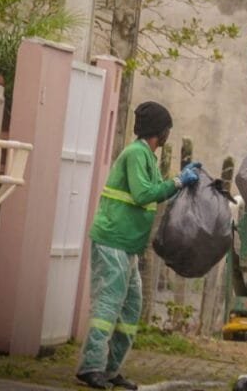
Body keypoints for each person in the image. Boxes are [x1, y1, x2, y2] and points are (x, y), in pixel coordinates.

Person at [76, 101, 200, 390]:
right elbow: (145, 194)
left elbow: (159, 190)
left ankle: (110, 370)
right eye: (167, 129)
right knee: (108, 305)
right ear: (161, 131)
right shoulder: (135, 154)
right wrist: (179, 182)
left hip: (127, 245)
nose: (168, 134)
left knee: (131, 308)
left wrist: (180, 181)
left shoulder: (146, 156)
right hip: (112, 241)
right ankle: (90, 367)